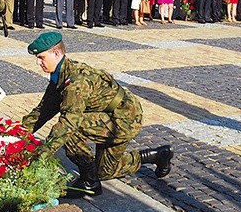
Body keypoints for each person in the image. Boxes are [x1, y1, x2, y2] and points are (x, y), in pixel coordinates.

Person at [22, 32, 174, 197]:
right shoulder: (60, 76)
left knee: (71, 127)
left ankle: (89, 181)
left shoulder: (75, 82)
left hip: (123, 119)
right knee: (105, 171)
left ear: (57, 54)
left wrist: (41, 156)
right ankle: (158, 155)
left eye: (41, 57)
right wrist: (14, 135)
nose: (38, 62)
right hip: (106, 115)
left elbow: (69, 122)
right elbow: (42, 111)